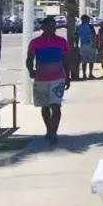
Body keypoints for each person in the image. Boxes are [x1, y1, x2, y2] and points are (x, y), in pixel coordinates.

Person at [26, 16, 71, 144]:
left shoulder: (61, 41)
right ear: (43, 27)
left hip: (58, 78)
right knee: (45, 106)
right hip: (41, 78)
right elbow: (29, 58)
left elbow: (66, 60)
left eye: (54, 27)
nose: (53, 29)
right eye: (50, 27)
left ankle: (53, 132)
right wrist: (31, 70)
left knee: (56, 105)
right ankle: (48, 129)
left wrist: (67, 77)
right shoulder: (35, 42)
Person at [76, 14, 97, 79]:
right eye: (88, 19)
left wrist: (76, 45)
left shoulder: (78, 27)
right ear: (86, 19)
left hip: (83, 46)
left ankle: (84, 75)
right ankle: (90, 74)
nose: (89, 20)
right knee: (91, 61)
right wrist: (95, 44)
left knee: (84, 61)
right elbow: (94, 35)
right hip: (90, 45)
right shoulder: (90, 26)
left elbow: (77, 37)